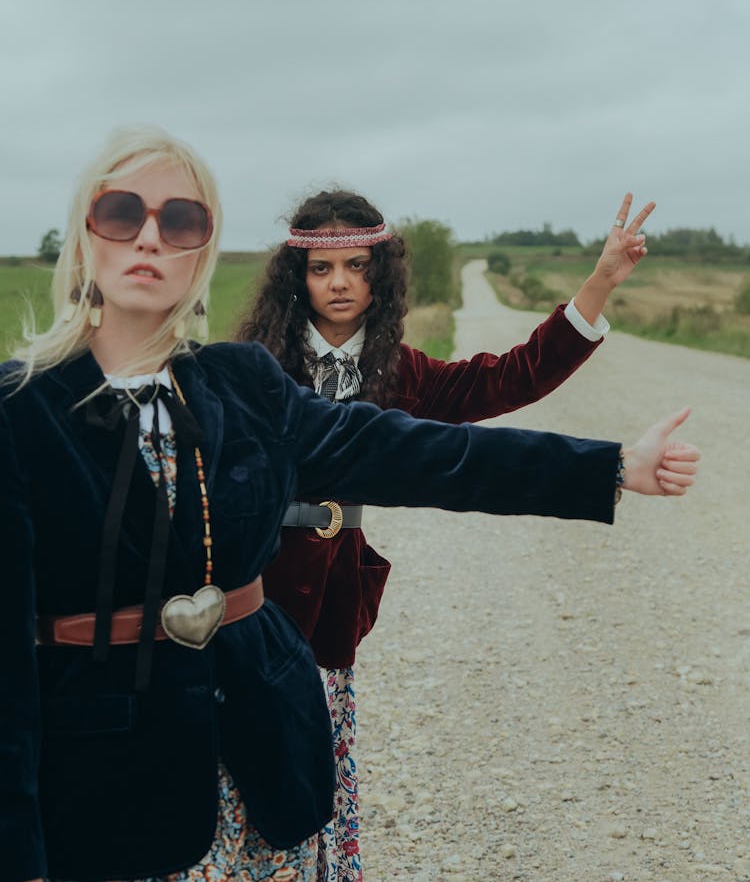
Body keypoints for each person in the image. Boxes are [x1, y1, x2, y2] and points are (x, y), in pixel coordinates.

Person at [0, 128, 699, 882]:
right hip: (107, 783)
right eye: (121, 211)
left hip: (260, 770)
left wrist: (613, 467)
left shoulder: (243, 384)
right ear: (84, 233)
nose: (149, 236)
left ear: (201, 249)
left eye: (180, 220)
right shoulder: (21, 406)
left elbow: (424, 454)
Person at [236, 187, 659, 882]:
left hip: (331, 612)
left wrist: (602, 278)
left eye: (356, 266)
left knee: (316, 772)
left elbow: (514, 376)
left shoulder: (402, 372)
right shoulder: (252, 368)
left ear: (381, 274)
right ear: (297, 277)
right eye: (320, 268)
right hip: (251, 605)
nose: (339, 282)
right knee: (251, 779)